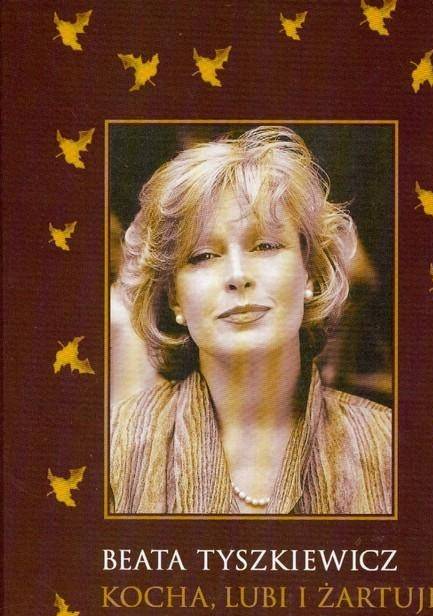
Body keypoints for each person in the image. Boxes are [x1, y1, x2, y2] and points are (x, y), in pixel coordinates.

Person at [110, 126, 392, 514]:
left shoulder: (388, 447)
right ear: (175, 297)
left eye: (265, 246)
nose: (238, 275)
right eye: (203, 256)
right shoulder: (115, 449)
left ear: (309, 273)